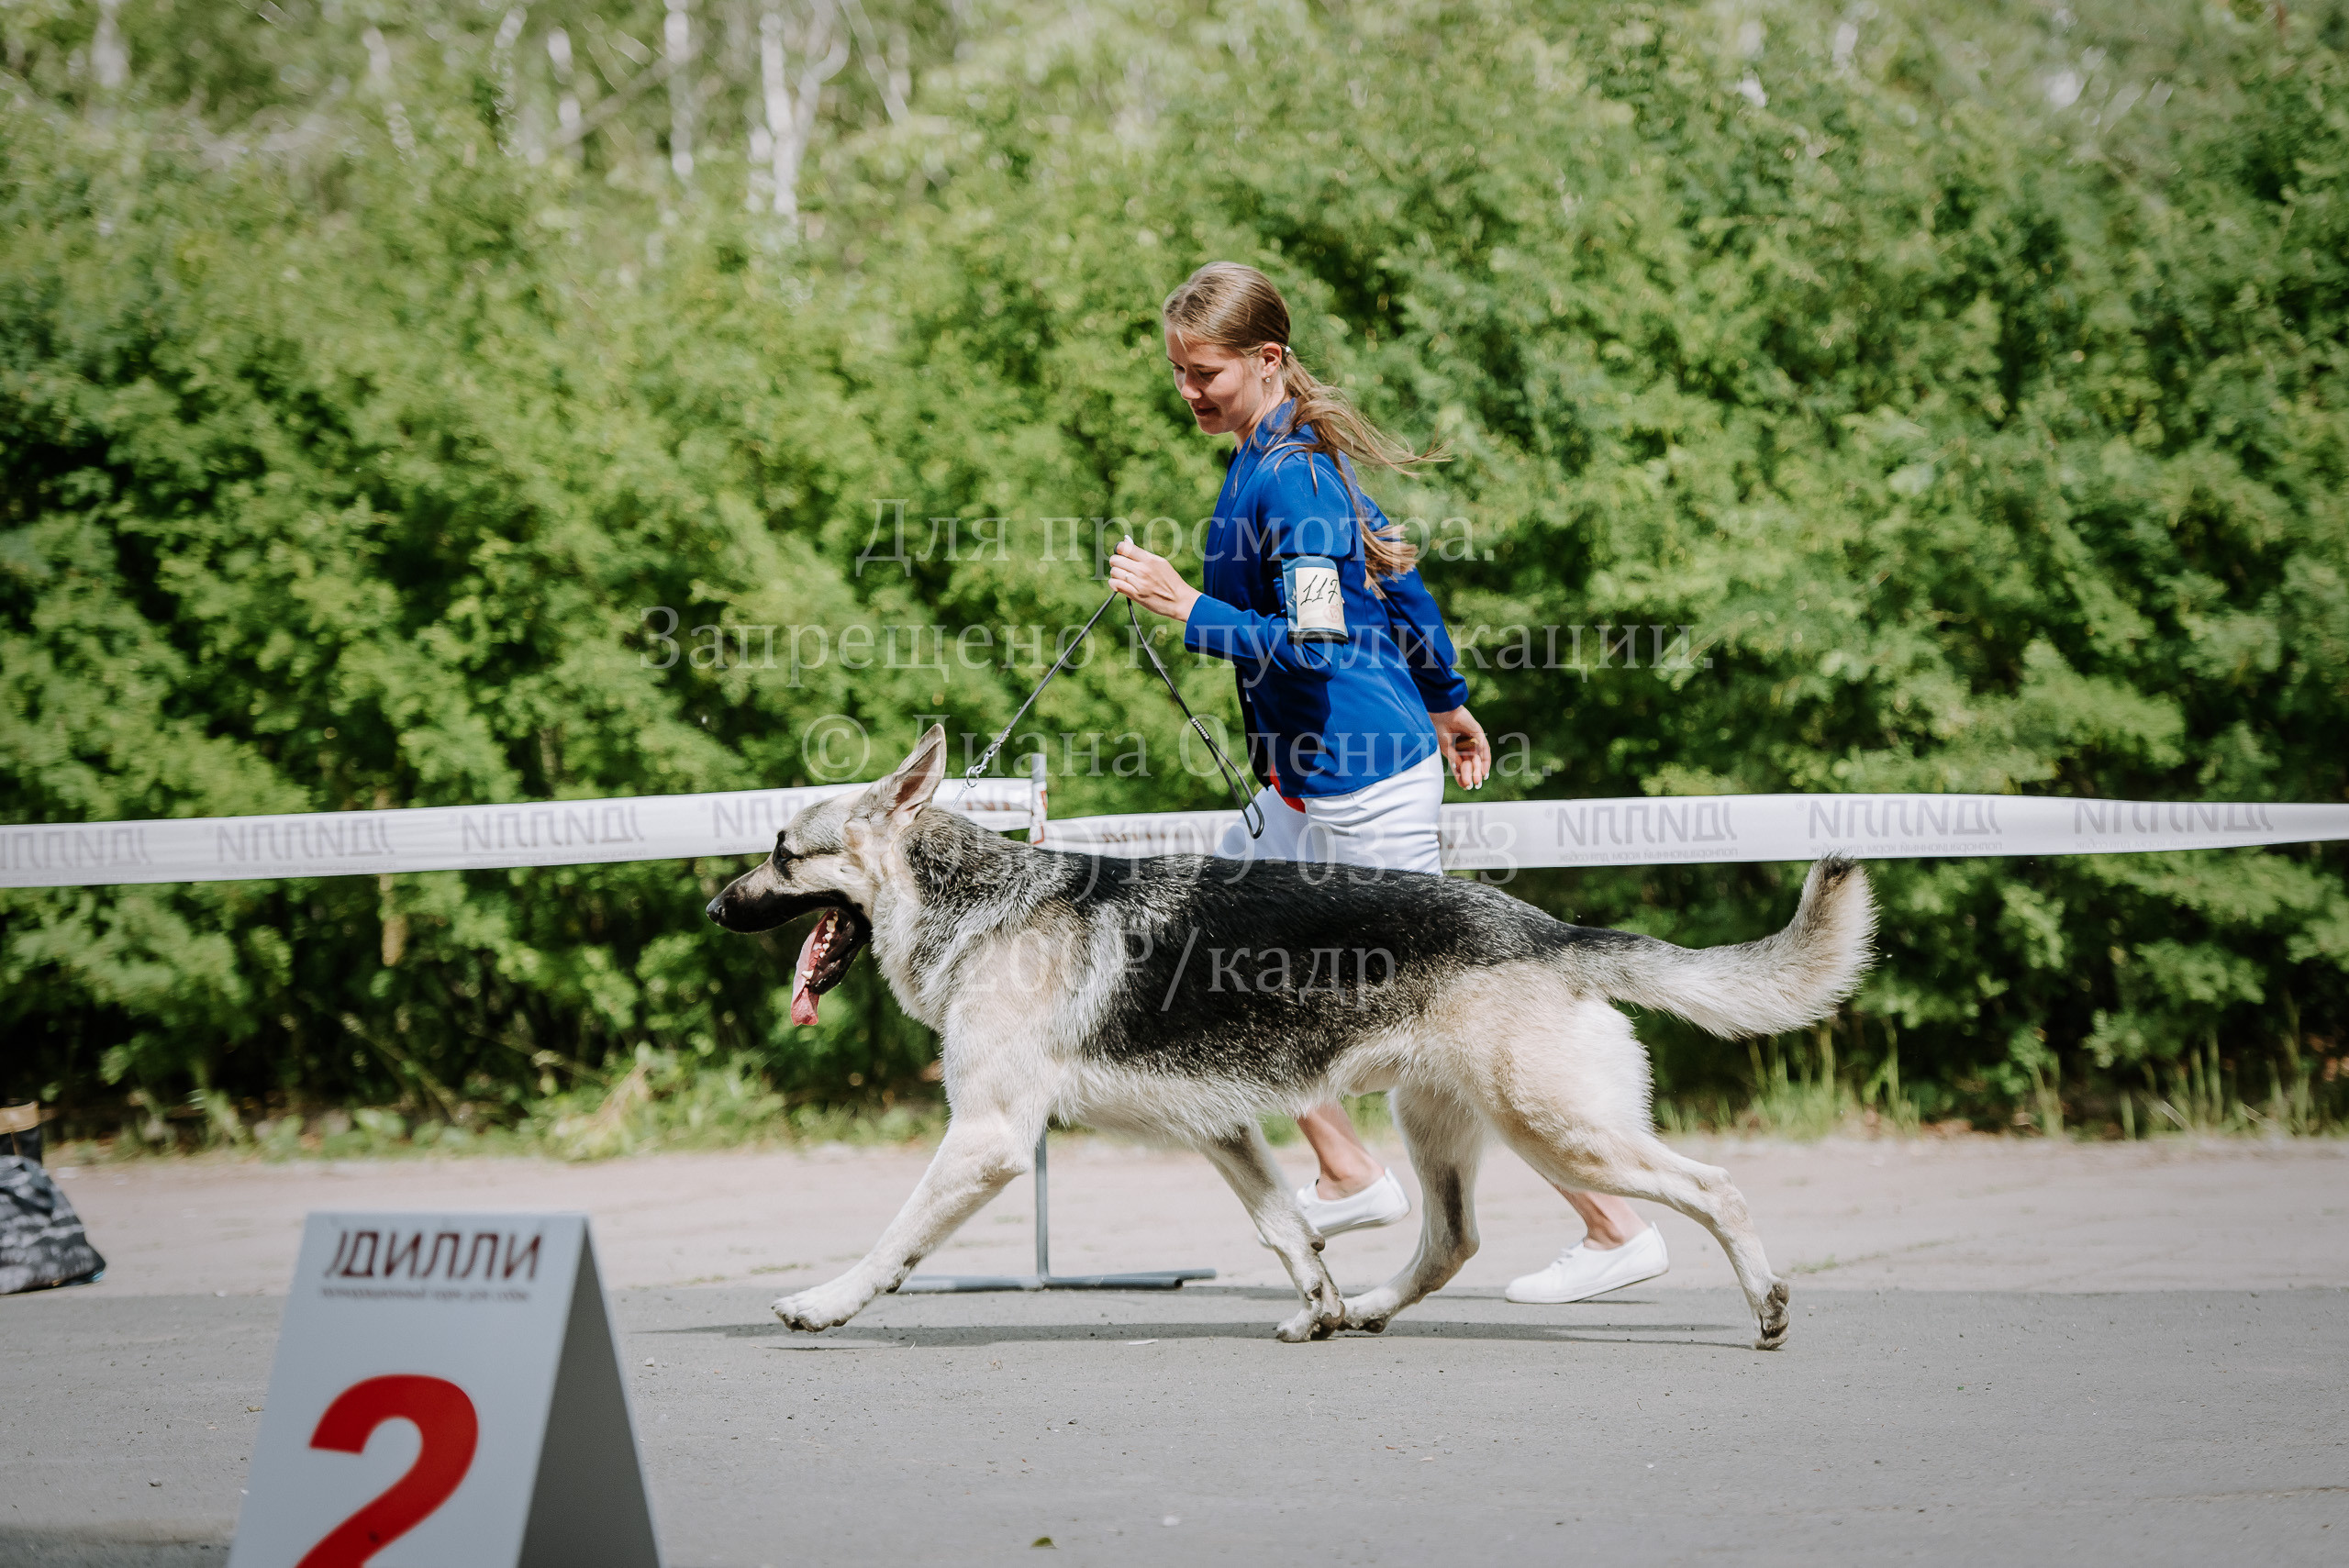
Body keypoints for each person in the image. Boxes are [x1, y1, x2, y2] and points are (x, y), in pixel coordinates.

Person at [1107, 261, 1668, 1306]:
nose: (1188, 391)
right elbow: (1395, 570)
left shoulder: (1290, 475)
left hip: (1365, 780)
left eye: (1205, 372)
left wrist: (1184, 605)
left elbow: (1314, 644)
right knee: (1198, 956)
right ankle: (1349, 1172)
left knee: (1455, 1019)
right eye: (1178, 372)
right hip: (1306, 782)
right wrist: (1449, 691)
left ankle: (1616, 1223)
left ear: (1266, 359)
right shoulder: (1274, 453)